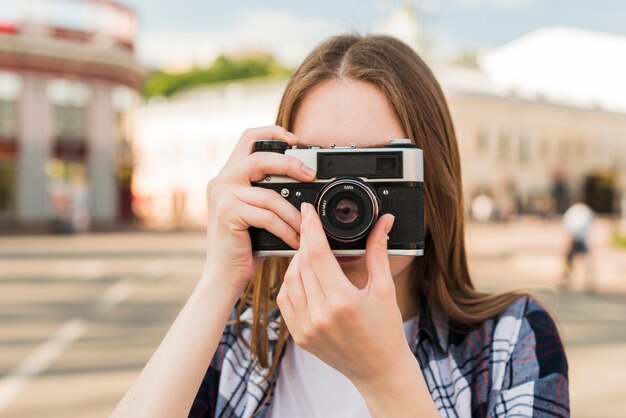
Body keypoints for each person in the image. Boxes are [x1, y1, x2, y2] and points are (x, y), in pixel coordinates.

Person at [111, 34, 569, 418]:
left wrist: (386, 375)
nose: (344, 205)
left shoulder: (508, 342)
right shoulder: (236, 340)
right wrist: (218, 282)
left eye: (378, 170)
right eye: (321, 171)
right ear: (277, 176)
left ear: (434, 187)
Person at [561, 200, 595, 290]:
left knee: (569, 258)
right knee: (583, 259)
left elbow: (568, 225)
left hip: (574, 237)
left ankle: (568, 277)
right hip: (581, 238)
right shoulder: (586, 211)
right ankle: (586, 279)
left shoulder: (574, 211)